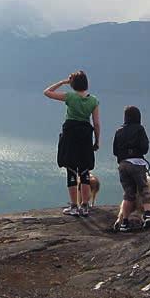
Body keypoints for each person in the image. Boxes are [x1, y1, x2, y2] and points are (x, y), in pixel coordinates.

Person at [43, 71, 100, 217]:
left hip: (70, 136)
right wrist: (97, 140)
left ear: (73, 84)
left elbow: (47, 92)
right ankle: (85, 207)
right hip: (86, 136)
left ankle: (74, 207)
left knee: (71, 170)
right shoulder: (93, 100)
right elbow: (97, 123)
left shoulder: (70, 97)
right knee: (85, 171)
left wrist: (62, 82)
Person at [113, 105, 150, 232]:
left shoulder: (118, 131)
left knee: (128, 194)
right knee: (144, 190)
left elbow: (115, 151)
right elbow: (145, 148)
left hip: (123, 165)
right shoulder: (140, 129)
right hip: (137, 163)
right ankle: (148, 216)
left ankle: (124, 222)